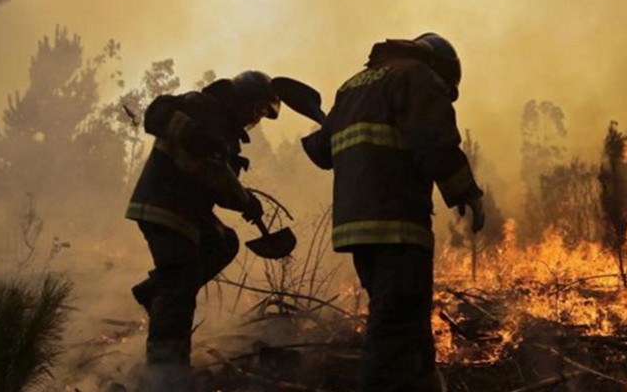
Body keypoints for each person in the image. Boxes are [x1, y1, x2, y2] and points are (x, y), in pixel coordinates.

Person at [302, 33, 485, 391]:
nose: (443, 91)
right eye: (446, 87)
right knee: (393, 332)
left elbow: (321, 152)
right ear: (441, 69)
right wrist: (466, 190)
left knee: (407, 322)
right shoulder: (416, 75)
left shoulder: (351, 87)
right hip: (398, 223)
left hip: (356, 230)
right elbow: (434, 140)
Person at [125, 70, 279, 377]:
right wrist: (245, 200)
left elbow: (215, 178)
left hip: (188, 211)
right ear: (243, 100)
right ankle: (166, 371)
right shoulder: (204, 108)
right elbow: (156, 114)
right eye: (257, 110)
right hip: (165, 205)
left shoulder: (221, 130)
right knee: (180, 280)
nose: (257, 119)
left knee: (223, 243)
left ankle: (153, 290)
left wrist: (235, 182)